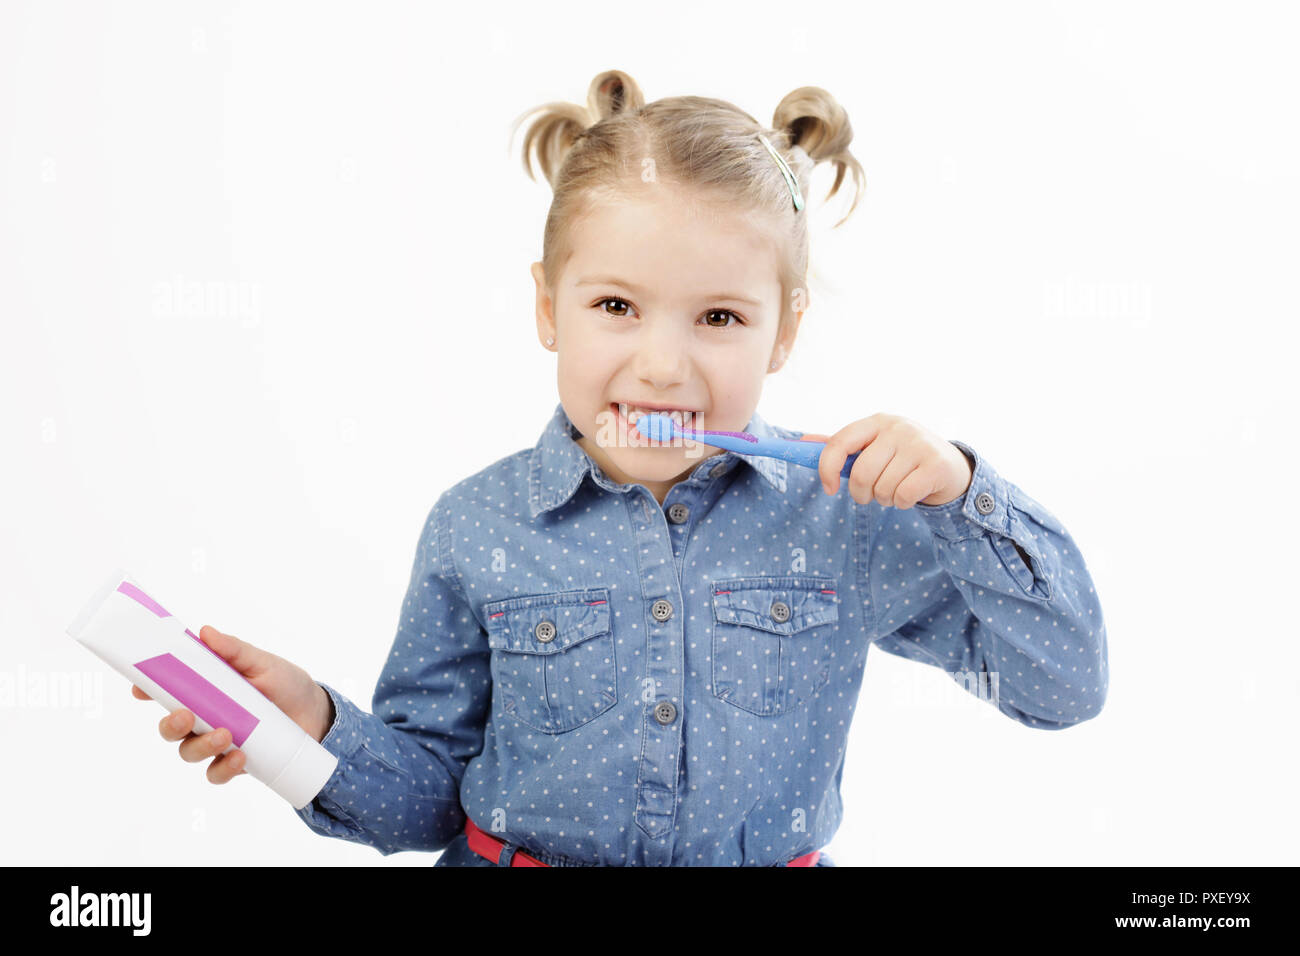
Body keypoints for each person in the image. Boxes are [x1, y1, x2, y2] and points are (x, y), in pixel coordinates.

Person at [136, 69, 1108, 866]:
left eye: (719, 316)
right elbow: (425, 803)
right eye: (615, 306)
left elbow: (1058, 688)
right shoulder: (475, 526)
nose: (660, 361)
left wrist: (963, 492)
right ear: (548, 306)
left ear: (785, 330)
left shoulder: (840, 516)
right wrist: (309, 721)